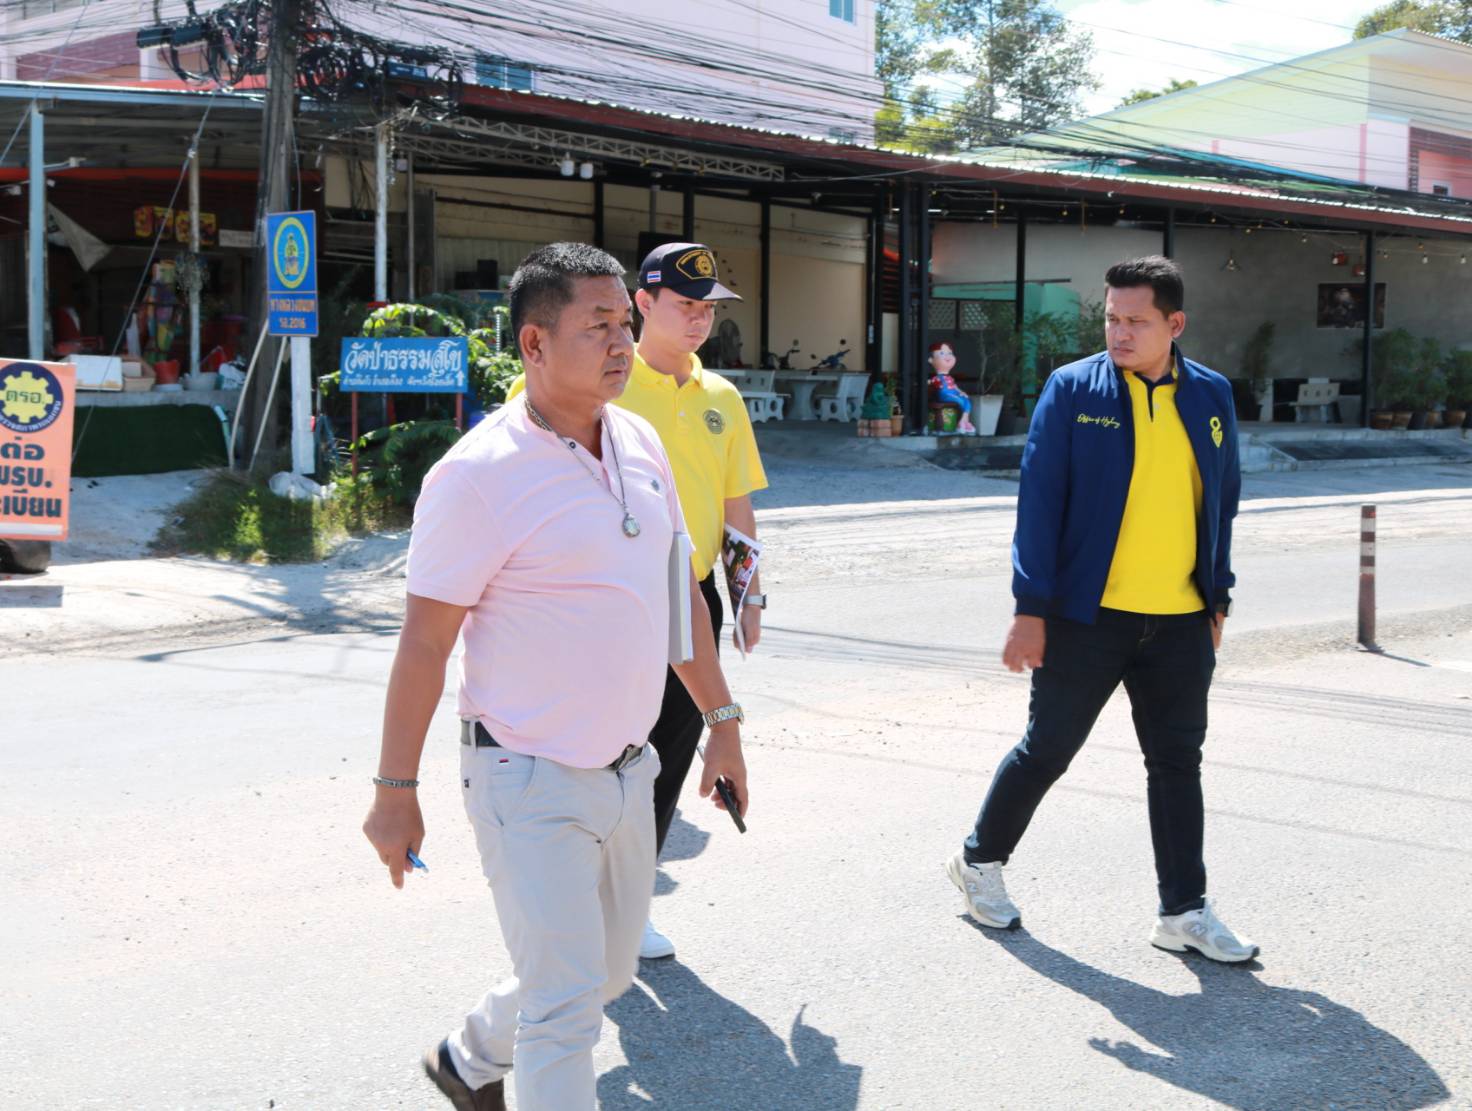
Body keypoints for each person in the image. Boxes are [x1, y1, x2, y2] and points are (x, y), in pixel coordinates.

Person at [361, 242, 750, 1111]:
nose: (621, 343)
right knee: (567, 1009)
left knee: (603, 974)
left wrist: (722, 723)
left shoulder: (640, 441)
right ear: (534, 344)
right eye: (597, 326)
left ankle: (466, 1058)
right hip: (526, 774)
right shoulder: (476, 476)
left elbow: (678, 596)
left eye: (623, 324)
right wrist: (395, 789)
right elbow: (424, 645)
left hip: (629, 770)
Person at [946, 255, 1257, 963]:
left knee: (1177, 762)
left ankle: (1183, 910)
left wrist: (1217, 595)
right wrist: (1030, 607)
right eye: (1112, 318)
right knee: (1048, 749)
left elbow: (1224, 500)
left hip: (1180, 619)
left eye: (1136, 321)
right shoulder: (1072, 389)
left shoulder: (1210, 394)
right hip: (1086, 617)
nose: (1119, 332)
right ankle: (979, 861)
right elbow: (1039, 502)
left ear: (1175, 324)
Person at [509, 241, 768, 961]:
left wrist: (748, 595)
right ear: (644, 304)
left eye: (709, 308)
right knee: (597, 753)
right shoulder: (602, 382)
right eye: (685, 305)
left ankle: (630, 898)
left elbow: (736, 503)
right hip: (604, 600)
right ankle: (570, 898)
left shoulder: (721, 398)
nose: (699, 320)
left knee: (668, 756)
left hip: (688, 594)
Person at [927, 342, 976, 433]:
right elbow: (929, 384)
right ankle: (963, 422)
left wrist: (961, 392)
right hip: (945, 395)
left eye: (950, 353)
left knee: (966, 400)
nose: (947, 356)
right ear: (931, 360)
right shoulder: (936, 378)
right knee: (962, 401)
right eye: (942, 353)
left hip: (953, 393)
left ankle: (964, 421)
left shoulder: (950, 378)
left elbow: (955, 387)